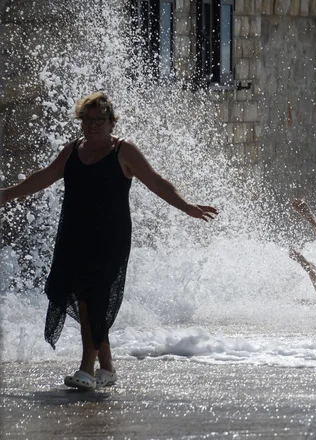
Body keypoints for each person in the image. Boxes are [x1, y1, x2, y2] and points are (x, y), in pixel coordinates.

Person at [0, 92, 217, 391]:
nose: (92, 126)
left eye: (98, 120)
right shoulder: (73, 150)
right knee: (87, 303)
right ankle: (108, 368)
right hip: (74, 236)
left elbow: (156, 181)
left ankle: (86, 369)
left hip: (109, 238)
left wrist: (187, 206)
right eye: (86, 120)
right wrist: (6, 195)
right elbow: (43, 177)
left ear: (111, 122)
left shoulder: (124, 150)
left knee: (95, 298)